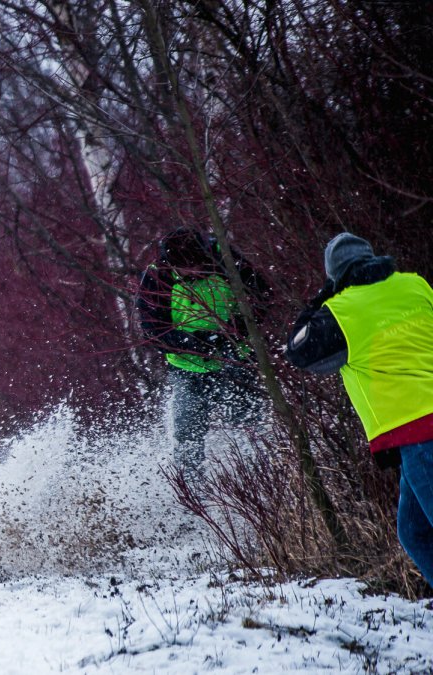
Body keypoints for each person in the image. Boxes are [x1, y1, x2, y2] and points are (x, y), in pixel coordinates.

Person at [285, 233, 433, 585]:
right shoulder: (415, 286)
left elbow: (297, 350)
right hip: (417, 430)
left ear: (335, 275)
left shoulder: (342, 310)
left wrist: (323, 297)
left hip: (415, 428)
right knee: (413, 532)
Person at [137, 227, 269, 479]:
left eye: (197, 266)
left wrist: (235, 329)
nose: (194, 272)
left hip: (235, 357)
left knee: (249, 425)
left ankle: (261, 480)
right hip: (186, 367)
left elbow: (262, 297)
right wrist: (190, 342)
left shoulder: (226, 260)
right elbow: (152, 330)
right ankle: (192, 491)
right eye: (187, 270)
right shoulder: (157, 278)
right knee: (188, 433)